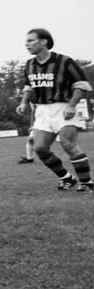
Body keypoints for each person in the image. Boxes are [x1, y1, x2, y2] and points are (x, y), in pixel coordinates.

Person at [16, 28, 92, 191]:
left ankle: (86, 183)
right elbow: (29, 86)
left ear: (43, 42)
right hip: (42, 110)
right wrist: (23, 103)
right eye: (26, 41)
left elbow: (81, 85)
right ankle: (66, 178)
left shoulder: (64, 61)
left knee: (67, 143)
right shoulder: (29, 65)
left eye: (30, 41)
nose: (26, 44)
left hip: (63, 106)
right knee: (39, 148)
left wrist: (71, 105)